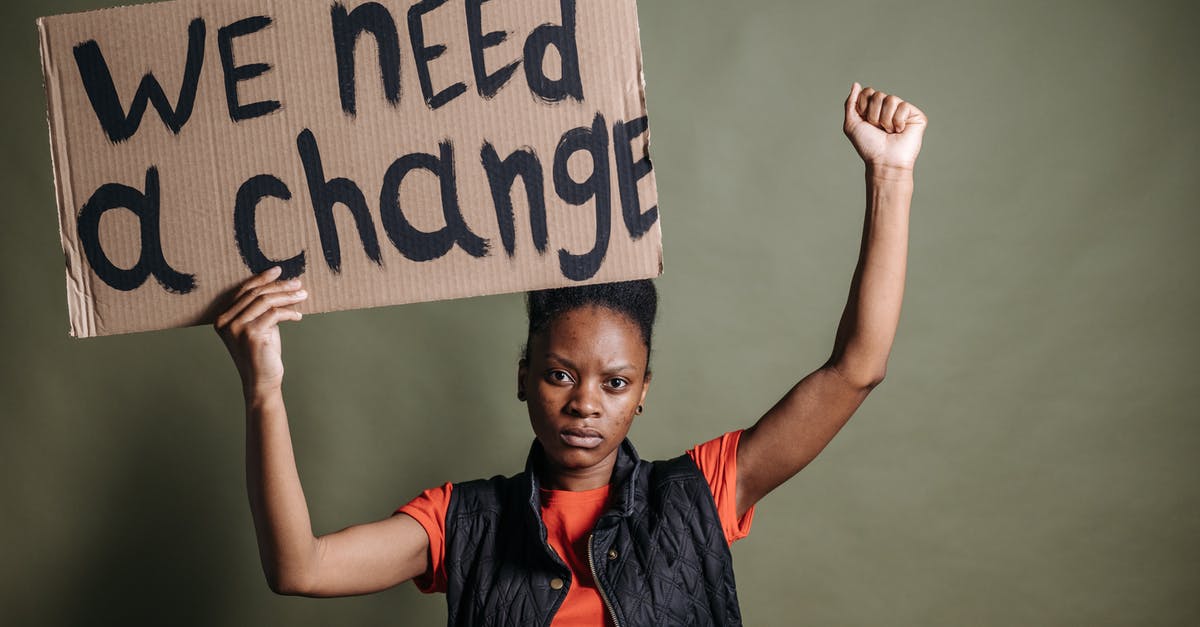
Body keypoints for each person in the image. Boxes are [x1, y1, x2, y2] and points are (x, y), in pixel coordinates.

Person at [215, 83, 927, 626]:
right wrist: (263, 389)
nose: (586, 401)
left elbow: (856, 368)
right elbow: (298, 566)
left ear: (643, 388)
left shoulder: (699, 496)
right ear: (523, 376)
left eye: (615, 382)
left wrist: (890, 178)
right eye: (560, 374)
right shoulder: (464, 521)